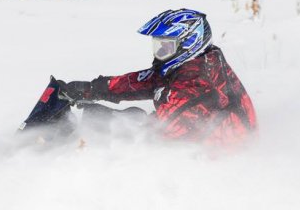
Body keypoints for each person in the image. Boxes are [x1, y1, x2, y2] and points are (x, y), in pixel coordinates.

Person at [56, 8, 257, 147]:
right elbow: (150, 80)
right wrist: (97, 88)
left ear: (188, 44)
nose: (159, 51)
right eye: (158, 44)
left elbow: (157, 133)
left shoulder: (194, 84)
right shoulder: (198, 63)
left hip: (215, 164)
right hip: (203, 147)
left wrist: (107, 119)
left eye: (165, 45)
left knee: (113, 125)